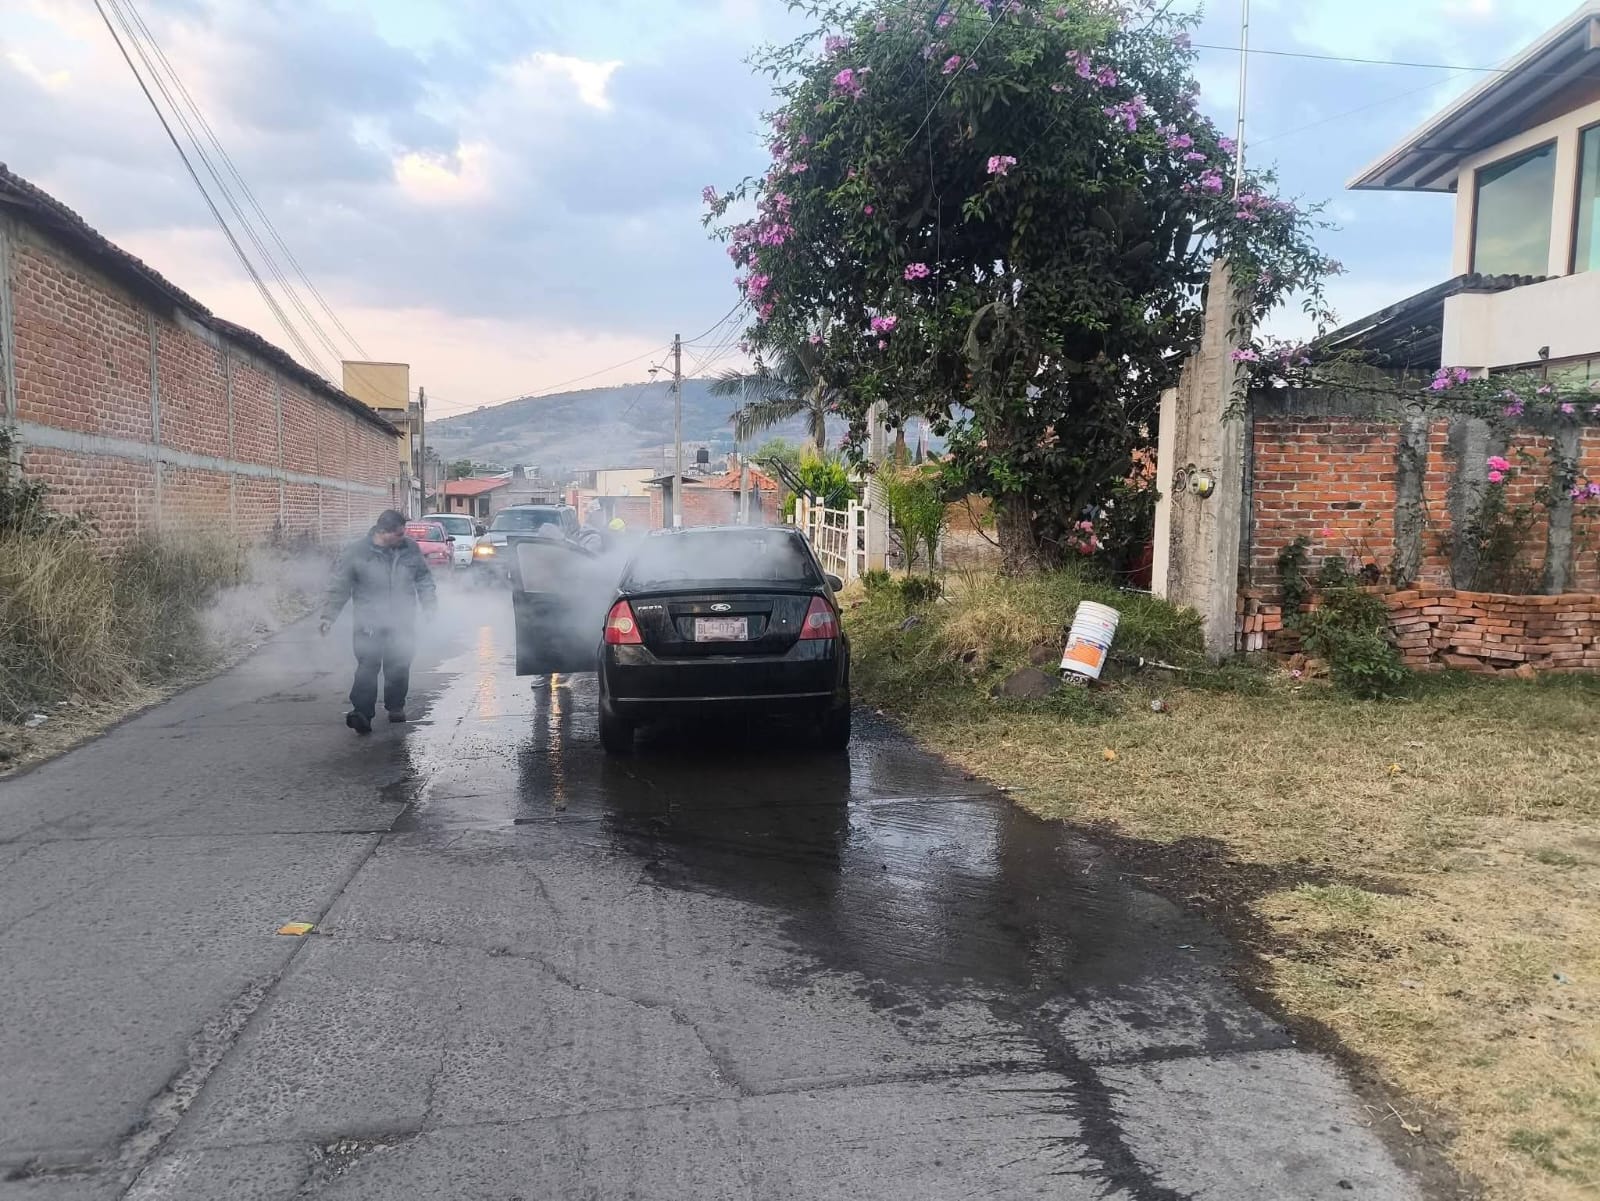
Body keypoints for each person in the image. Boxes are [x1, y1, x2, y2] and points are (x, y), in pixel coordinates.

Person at [319, 509, 437, 735]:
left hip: (402, 619)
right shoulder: (357, 551)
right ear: (383, 532)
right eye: (399, 533)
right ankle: (362, 714)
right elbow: (340, 585)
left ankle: (396, 706)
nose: (403, 537)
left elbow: (423, 577)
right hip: (368, 620)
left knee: (399, 663)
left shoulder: (409, 548)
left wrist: (429, 605)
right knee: (367, 666)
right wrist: (328, 616)